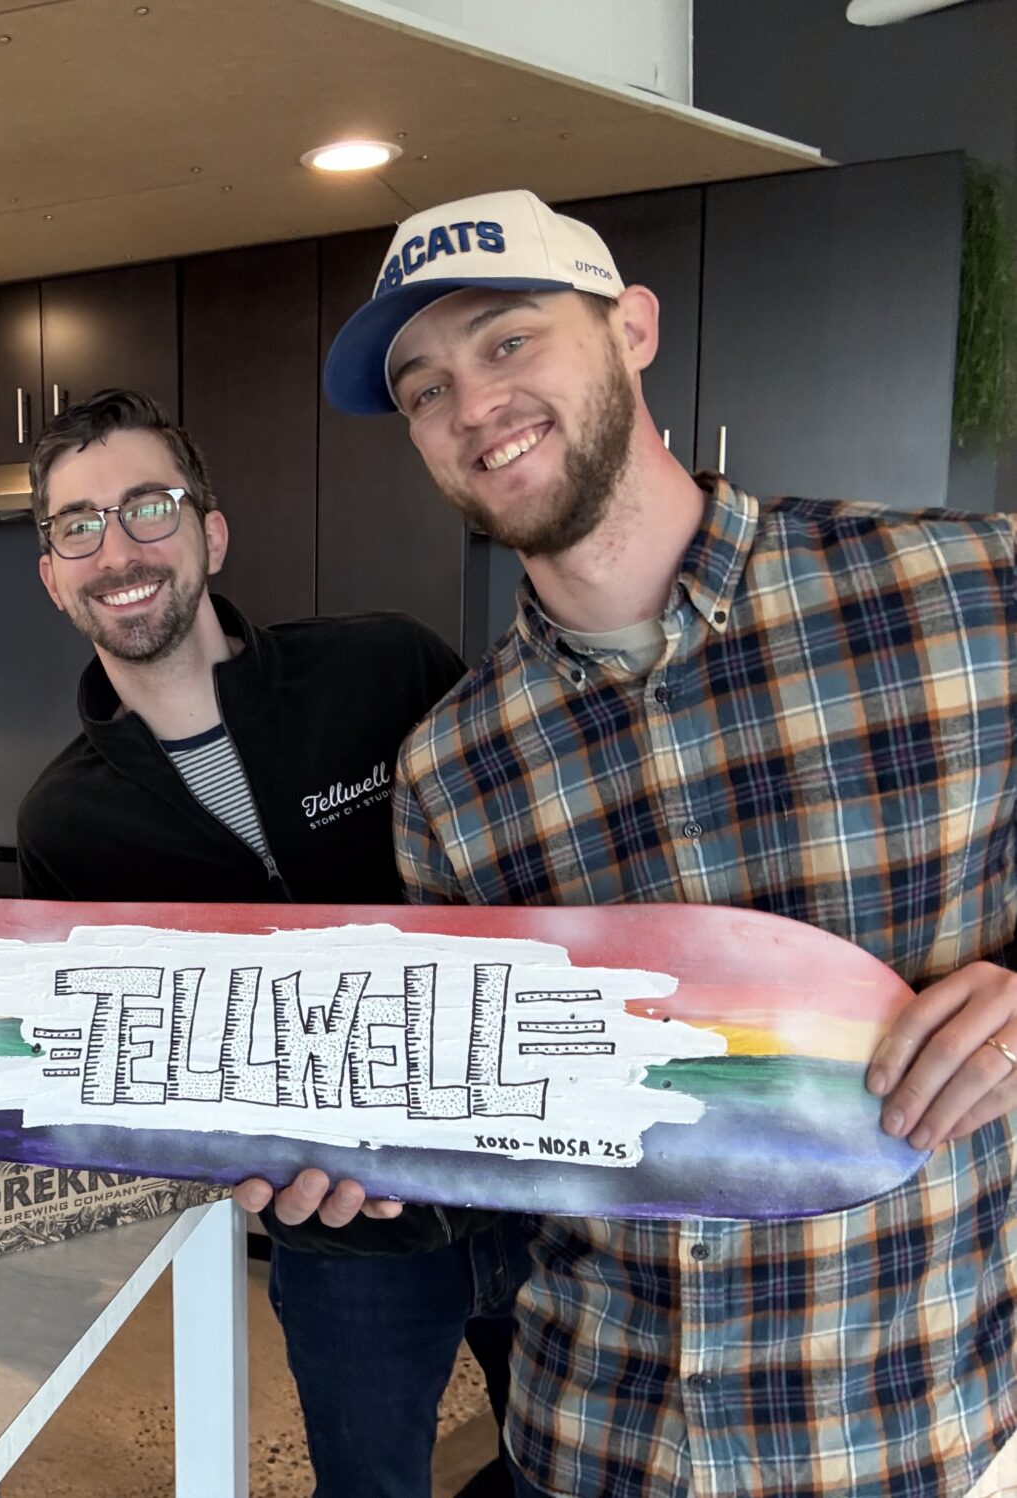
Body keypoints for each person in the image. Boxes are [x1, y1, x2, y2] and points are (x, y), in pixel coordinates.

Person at [242, 186, 1017, 1496]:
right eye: (423, 387)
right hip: (598, 1438)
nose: (469, 404)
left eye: (506, 340)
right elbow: (493, 1147)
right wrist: (357, 1163)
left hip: (917, 1427)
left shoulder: (965, 591)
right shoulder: (452, 765)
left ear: (633, 328)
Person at [17, 389, 528, 1498]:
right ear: (53, 577)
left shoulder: (384, 669)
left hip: (533, 1182)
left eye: (148, 506)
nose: (117, 548)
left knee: (576, 1469)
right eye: (76, 525)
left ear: (209, 530)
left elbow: (530, 866)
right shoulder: (65, 824)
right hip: (338, 1235)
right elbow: (122, 1080)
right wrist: (233, 1156)